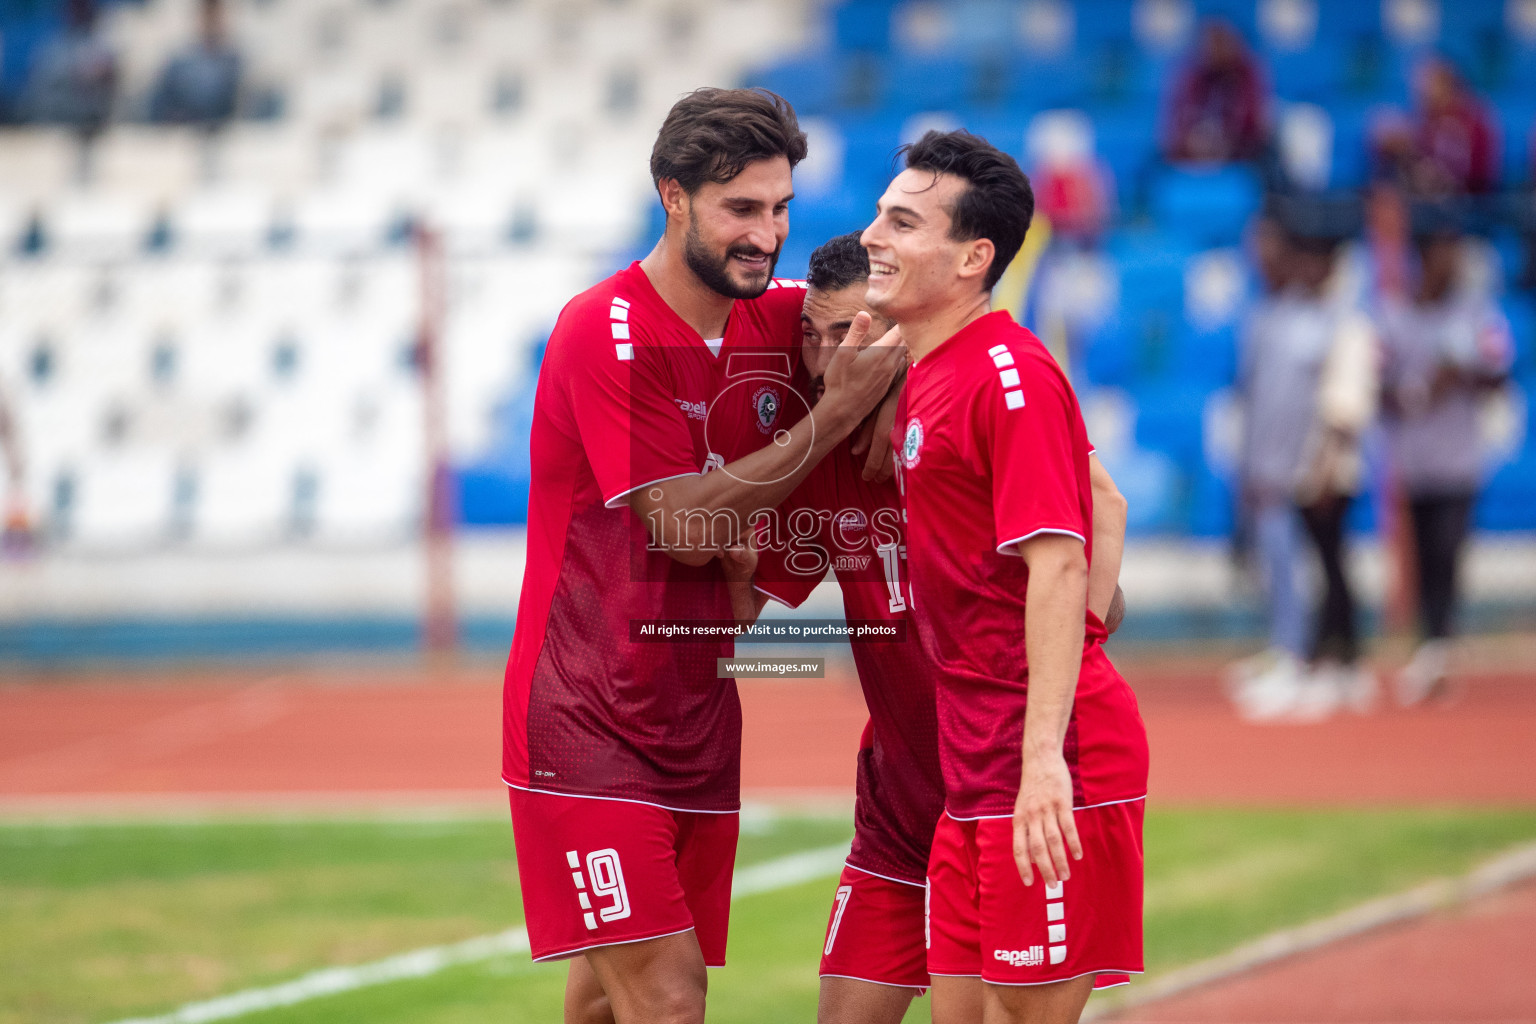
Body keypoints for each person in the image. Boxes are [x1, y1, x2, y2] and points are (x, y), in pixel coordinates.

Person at [501, 87, 904, 1024]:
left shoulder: (788, 315)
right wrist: (846, 408)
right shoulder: (606, 331)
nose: (766, 236)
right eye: (740, 210)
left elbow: (922, 330)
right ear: (671, 196)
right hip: (585, 723)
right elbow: (678, 524)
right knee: (670, 998)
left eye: (780, 209)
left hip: (696, 719)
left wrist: (896, 385)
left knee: (608, 1002)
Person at [867, 130, 1146, 1024]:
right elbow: (1105, 501)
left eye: (903, 222)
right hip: (979, 759)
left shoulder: (1004, 373)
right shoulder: (935, 370)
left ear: (972, 257)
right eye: (880, 212)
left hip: (1042, 760)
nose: (874, 234)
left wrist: (1050, 752)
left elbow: (1062, 555)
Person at [1230, 216, 1378, 721]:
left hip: (1315, 471)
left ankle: (1326, 660)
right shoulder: (1269, 318)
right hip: (1275, 470)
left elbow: (1338, 407)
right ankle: (1299, 655)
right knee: (1284, 569)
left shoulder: (1337, 321)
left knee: (1322, 567)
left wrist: (1312, 466)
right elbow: (1256, 400)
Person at [1378, 222, 1514, 705]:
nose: (1453, 265)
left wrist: (1465, 374)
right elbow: (1379, 387)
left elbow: (1501, 374)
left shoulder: (1476, 313)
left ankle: (1439, 651)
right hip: (1415, 460)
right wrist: (1418, 391)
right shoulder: (1396, 316)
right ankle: (1431, 647)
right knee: (1425, 558)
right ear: (1424, 258)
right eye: (1444, 254)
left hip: (1460, 460)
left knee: (1448, 552)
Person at [1163, 19, 1269, 165]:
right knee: (1158, 159)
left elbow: (1253, 126)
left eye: (1221, 43)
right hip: (1196, 150)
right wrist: (1194, 140)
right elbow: (1180, 120)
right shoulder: (1194, 75)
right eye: (1210, 44)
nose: (1215, 50)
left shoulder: (1248, 74)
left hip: (1240, 153)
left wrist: (1226, 141)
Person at [22, 0, 118, 134]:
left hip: (99, 127)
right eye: (75, 6)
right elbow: (38, 97)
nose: (78, 10)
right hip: (55, 127)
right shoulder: (52, 48)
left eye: (83, 5)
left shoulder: (106, 42)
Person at [148, 0, 243, 127]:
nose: (212, 23)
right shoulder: (179, 65)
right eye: (208, 17)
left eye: (216, 17)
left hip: (226, 131)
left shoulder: (236, 62)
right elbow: (160, 104)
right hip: (184, 130)